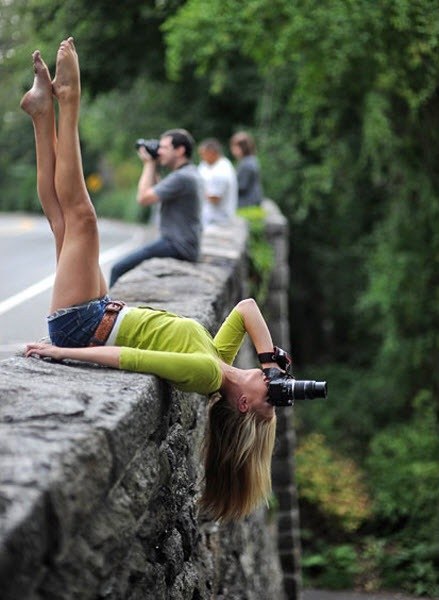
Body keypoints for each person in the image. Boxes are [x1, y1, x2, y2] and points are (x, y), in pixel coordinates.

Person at [21, 38, 281, 522]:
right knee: (61, 220)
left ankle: (68, 101)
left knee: (82, 219)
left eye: (270, 399)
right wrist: (270, 359)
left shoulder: (206, 376)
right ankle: (41, 114)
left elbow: (131, 358)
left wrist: (59, 353)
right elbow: (247, 308)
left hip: (82, 325)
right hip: (99, 311)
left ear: (245, 404)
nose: (272, 387)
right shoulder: (218, 359)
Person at [109, 128, 203, 287]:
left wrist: (148, 163)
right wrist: (153, 165)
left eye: (164, 147)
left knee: (118, 268)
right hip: (184, 243)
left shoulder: (182, 177)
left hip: (177, 245)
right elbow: (157, 192)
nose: (159, 151)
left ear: (180, 150)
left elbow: (143, 198)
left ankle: (110, 304)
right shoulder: (189, 173)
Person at [198, 138, 238, 225]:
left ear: (212, 153)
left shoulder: (221, 171)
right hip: (210, 218)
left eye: (203, 154)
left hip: (217, 220)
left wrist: (198, 191)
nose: (202, 158)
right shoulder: (207, 165)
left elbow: (214, 198)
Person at [230, 131, 263, 207]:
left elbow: (241, 186)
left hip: (248, 204)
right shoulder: (250, 160)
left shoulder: (247, 164)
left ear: (242, 147)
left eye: (234, 146)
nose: (232, 149)